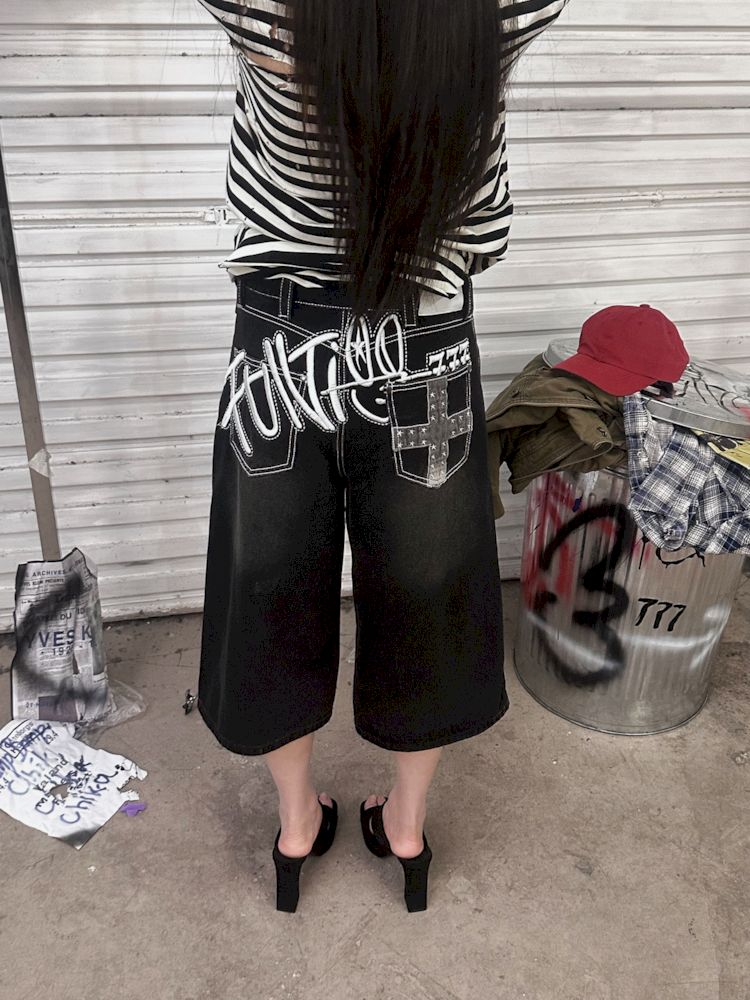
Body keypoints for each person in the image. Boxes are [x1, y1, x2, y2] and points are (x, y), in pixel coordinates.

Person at [195, 0, 571, 913]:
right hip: (425, 343)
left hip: (283, 341)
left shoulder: (263, 11)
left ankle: (296, 826)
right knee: (426, 592)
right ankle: (405, 828)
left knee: (271, 584)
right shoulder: (503, 9)